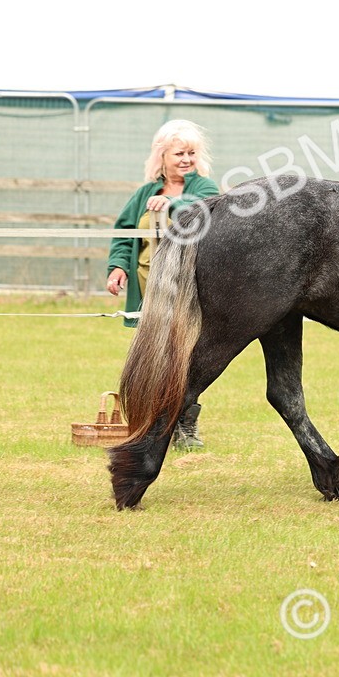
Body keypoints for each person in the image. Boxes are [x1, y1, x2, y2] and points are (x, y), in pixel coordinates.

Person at [106, 119, 219, 451]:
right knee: (153, 358)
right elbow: (125, 230)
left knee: (183, 359)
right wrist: (117, 266)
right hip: (148, 291)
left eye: (191, 153)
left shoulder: (205, 188)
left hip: (188, 292)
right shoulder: (145, 193)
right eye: (179, 153)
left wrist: (173, 204)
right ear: (163, 156)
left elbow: (206, 213)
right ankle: (152, 425)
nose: (186, 159)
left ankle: (185, 423)